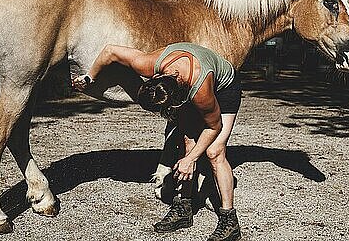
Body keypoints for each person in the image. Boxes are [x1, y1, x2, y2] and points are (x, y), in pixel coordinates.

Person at [72, 42, 242, 241]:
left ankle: (230, 221)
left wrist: (192, 160)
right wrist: (89, 77)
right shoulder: (148, 64)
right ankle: (183, 210)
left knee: (214, 152)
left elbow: (214, 127)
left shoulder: (200, 92)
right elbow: (110, 50)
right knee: (188, 143)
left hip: (224, 88)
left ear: (177, 100)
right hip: (186, 77)